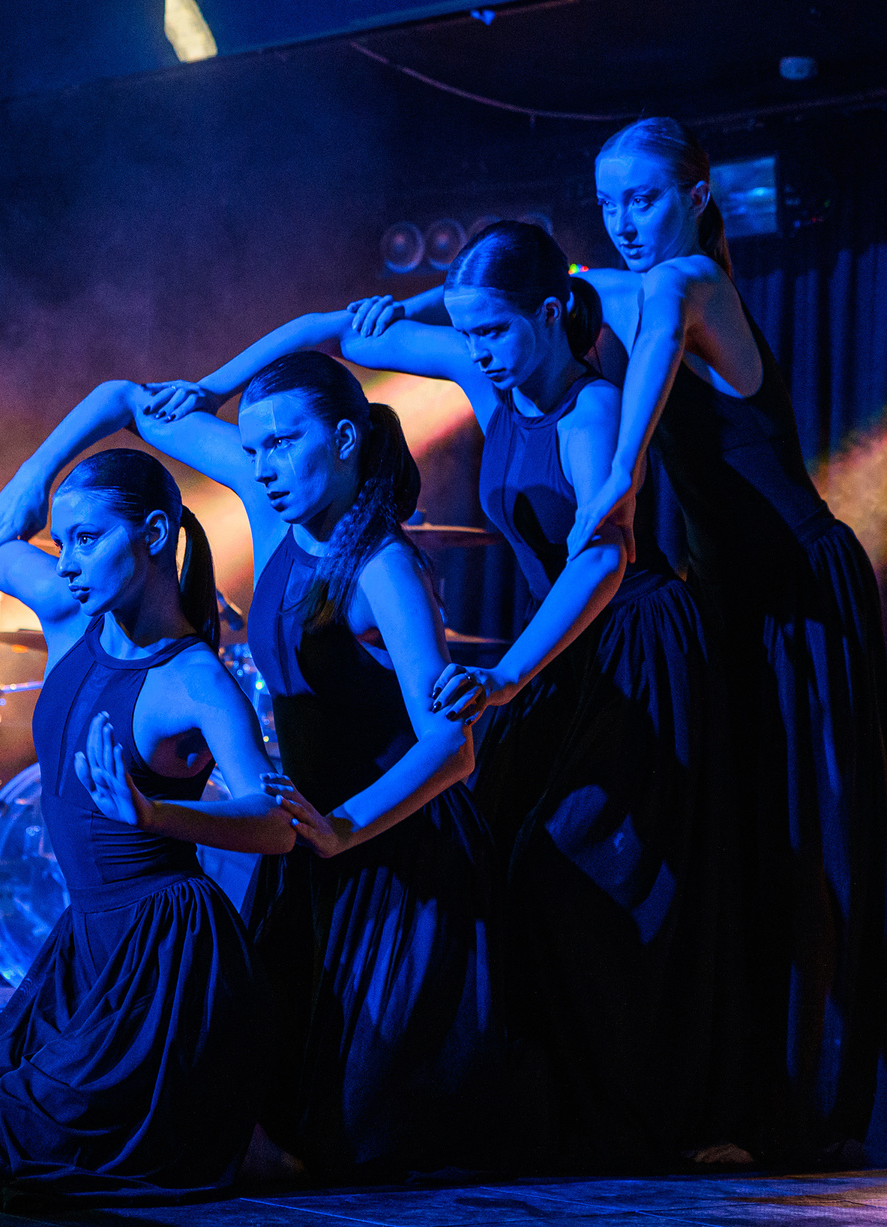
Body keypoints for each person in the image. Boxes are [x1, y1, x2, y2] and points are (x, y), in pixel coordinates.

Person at [152, 221, 742, 1171]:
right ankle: (557, 1098)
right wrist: (218, 383)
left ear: (551, 313)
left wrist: (506, 675)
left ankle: (640, 1110)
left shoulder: (590, 410)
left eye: (494, 331)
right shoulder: (482, 374)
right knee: (520, 875)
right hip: (554, 653)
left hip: (626, 642)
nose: (478, 352)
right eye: (466, 333)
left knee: (585, 878)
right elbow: (331, 331)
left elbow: (603, 559)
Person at [0, 355, 504, 1180]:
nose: (264, 466)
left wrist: (344, 827)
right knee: (261, 1112)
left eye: (284, 443)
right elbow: (122, 398)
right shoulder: (266, 500)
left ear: (346, 439)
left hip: (389, 846)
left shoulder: (384, 567)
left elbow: (452, 746)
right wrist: (33, 481)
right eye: (253, 448)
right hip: (304, 836)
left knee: (360, 1140)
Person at [566, 116, 887, 1169]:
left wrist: (620, 477)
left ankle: (817, 1103)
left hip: (798, 594)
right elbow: (511, 300)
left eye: (644, 198)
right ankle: (744, 1092)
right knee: (743, 846)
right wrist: (338, 325)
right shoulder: (626, 285)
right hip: (727, 601)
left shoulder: (689, 283)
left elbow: (655, 339)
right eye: (609, 203)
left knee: (807, 838)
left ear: (698, 197)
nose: (625, 222)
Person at [0, 446, 300, 1208]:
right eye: (62, 542)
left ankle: (242, 1138)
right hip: (85, 944)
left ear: (154, 534)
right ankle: (227, 1134)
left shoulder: (196, 679)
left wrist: (158, 814)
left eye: (87, 539)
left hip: (165, 953)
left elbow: (276, 824)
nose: (68, 563)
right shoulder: (67, 612)